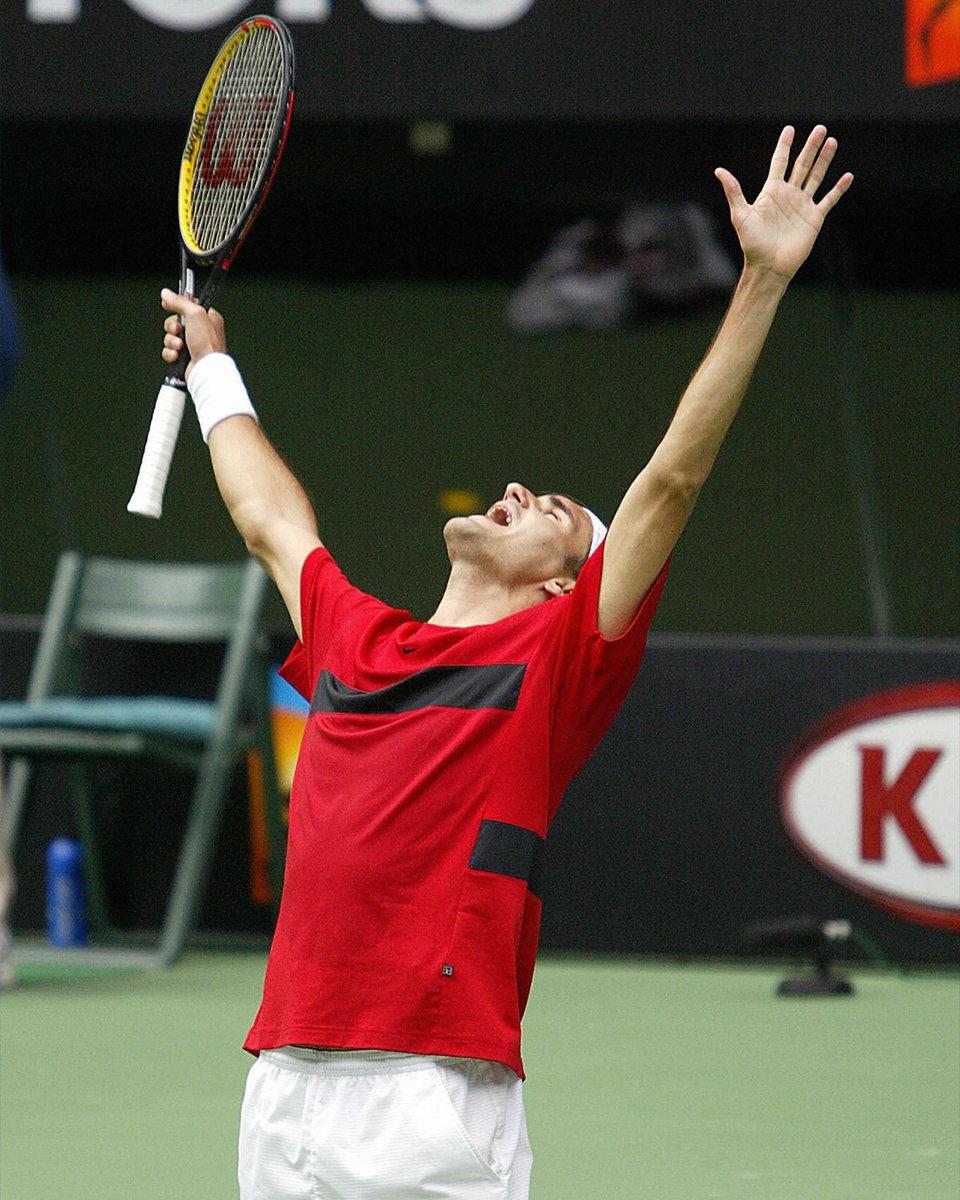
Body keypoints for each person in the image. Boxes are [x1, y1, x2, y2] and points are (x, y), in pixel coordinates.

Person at [160, 125, 851, 1200]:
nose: (522, 491)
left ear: (564, 587)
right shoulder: (356, 638)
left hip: (437, 1091)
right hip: (287, 1083)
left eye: (558, 515)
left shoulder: (561, 657)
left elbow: (668, 484)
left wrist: (761, 279)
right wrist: (212, 366)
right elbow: (268, 520)